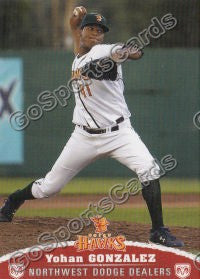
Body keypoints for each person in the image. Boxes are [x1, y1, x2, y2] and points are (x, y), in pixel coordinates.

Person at [0, 6, 183, 247]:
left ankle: (158, 230)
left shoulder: (103, 50)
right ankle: (13, 201)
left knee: (149, 170)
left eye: (100, 30)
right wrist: (74, 20)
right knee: (48, 188)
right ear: (82, 32)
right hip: (83, 137)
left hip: (120, 133)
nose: (96, 34)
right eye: (91, 29)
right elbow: (75, 31)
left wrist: (127, 52)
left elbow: (129, 51)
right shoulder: (79, 53)